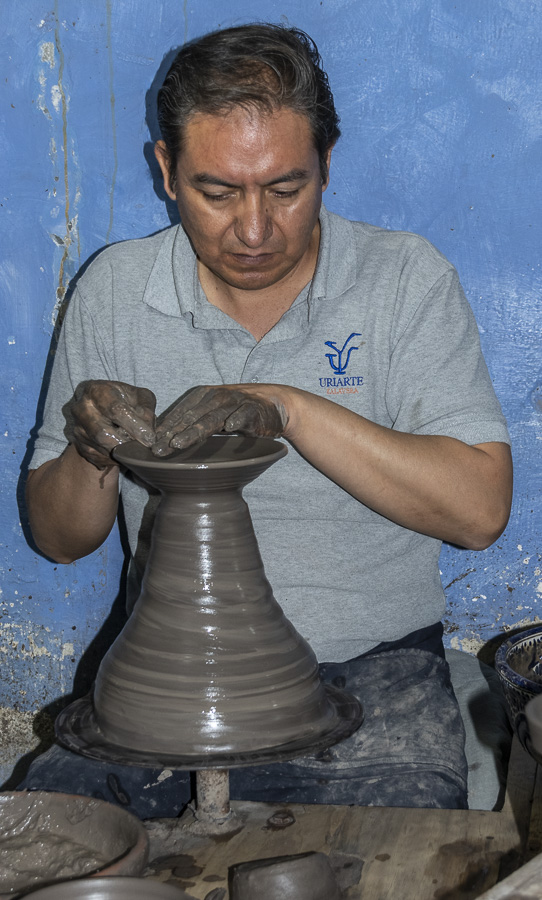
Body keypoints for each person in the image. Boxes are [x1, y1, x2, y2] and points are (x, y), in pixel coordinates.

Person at [23, 23, 512, 816]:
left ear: (326, 165)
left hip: (375, 668)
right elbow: (59, 540)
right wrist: (90, 452)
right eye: (218, 193)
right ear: (166, 170)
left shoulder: (403, 281)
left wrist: (288, 407)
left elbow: (481, 512)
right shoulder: (115, 290)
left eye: (285, 189)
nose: (254, 230)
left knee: (386, 858)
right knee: (51, 843)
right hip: (163, 673)